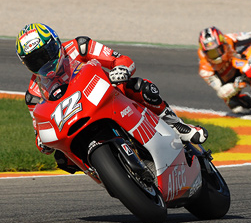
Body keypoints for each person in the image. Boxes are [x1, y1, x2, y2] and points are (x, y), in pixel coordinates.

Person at [16, 23, 207, 173]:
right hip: (75, 120)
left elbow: (122, 60)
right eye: (35, 61)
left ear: (56, 44)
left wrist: (120, 70)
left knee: (141, 87)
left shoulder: (79, 47)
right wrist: (43, 142)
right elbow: (39, 130)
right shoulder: (33, 94)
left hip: (103, 95)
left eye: (46, 55)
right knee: (61, 157)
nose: (45, 63)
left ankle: (178, 126)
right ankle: (107, 172)